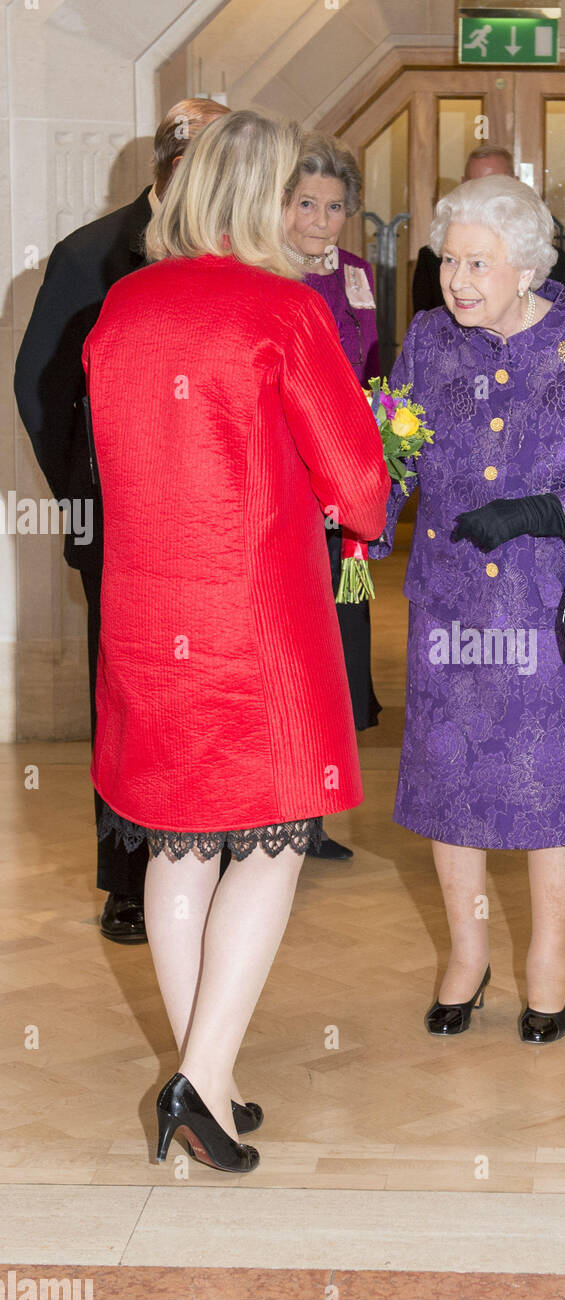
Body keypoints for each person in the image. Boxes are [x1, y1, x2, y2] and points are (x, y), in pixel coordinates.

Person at [82, 111, 389, 1172]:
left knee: (176, 841)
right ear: (261, 198)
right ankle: (200, 1078)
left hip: (141, 611)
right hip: (256, 619)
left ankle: (207, 1076)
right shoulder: (282, 310)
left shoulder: (120, 307)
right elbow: (357, 480)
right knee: (272, 838)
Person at [372, 174, 565, 1044]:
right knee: (449, 783)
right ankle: (466, 955)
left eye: (477, 264)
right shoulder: (427, 340)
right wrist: (356, 528)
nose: (456, 280)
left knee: (546, 789)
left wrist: (539, 515)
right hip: (450, 606)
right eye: (448, 260)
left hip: (546, 610)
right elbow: (394, 457)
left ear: (526, 268)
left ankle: (547, 962)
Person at [14, 98, 230, 945]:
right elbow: (42, 391)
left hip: (219, 536)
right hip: (123, 528)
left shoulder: (240, 258)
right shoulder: (91, 254)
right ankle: (130, 876)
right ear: (175, 166)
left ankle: (209, 854)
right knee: (131, 701)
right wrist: (93, 495)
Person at [282, 132, 382, 860]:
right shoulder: (266, 272)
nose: (320, 220)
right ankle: (276, 809)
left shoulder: (356, 274)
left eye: (335, 206)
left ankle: (312, 815)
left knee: (334, 653)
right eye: (307, 203)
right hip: (284, 483)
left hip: (339, 487)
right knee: (287, 647)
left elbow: (371, 365)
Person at [411, 145, 565, 313]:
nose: (487, 193)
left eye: (497, 183)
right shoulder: (432, 259)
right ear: (463, 183)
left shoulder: (545, 260)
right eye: (476, 183)